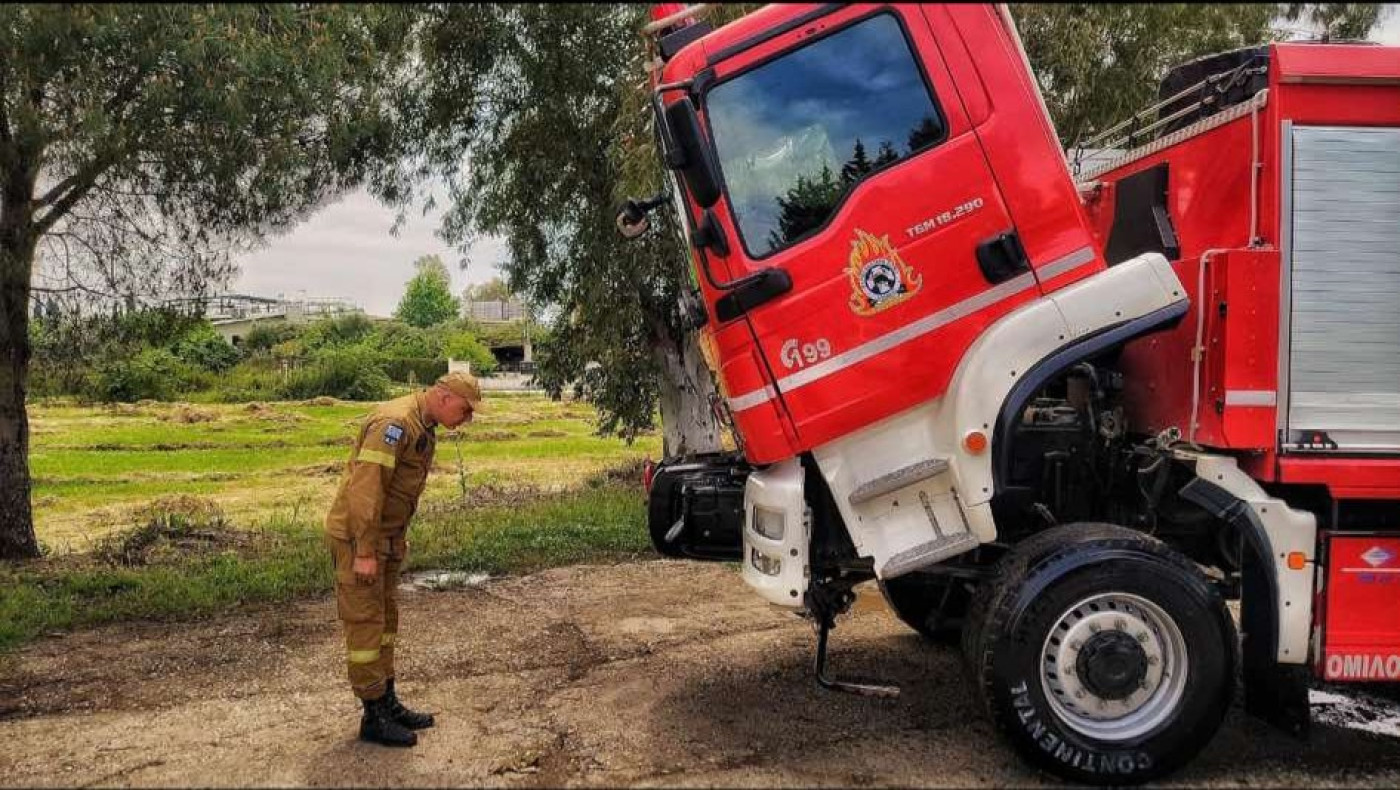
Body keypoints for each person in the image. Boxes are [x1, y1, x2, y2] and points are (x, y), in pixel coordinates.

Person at [322, 371, 483, 747]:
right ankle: (372, 715)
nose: (468, 418)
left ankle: (387, 700)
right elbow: (367, 490)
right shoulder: (394, 424)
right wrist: (364, 551)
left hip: (386, 540)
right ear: (444, 397)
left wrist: (394, 540)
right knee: (365, 624)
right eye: (465, 409)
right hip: (361, 541)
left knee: (386, 620)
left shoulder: (423, 426)